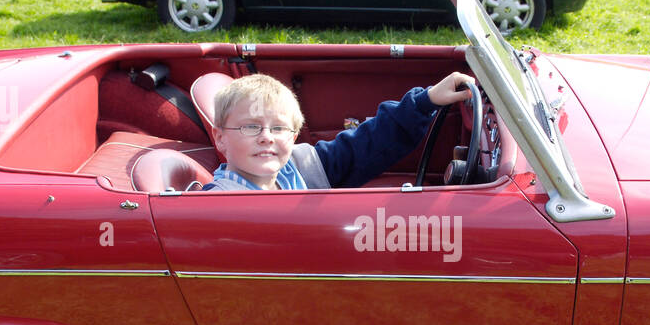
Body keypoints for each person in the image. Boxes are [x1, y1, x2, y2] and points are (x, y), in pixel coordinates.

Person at [203, 72, 475, 191]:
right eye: (251, 126)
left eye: (278, 128)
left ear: (294, 137)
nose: (266, 136)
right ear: (220, 138)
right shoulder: (214, 203)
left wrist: (426, 100)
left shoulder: (298, 167)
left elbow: (366, 146)